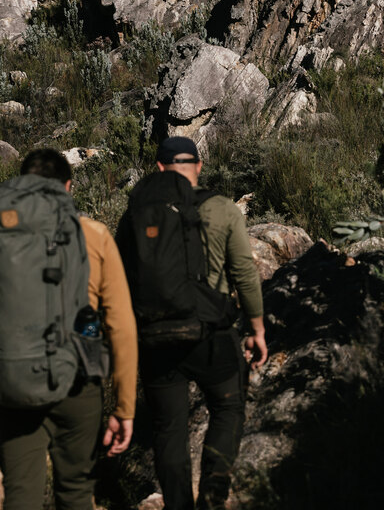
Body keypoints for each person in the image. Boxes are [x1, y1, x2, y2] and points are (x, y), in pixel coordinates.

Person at [0, 148, 139, 510]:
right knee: (75, 492)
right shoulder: (94, 236)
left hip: (16, 383)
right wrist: (124, 407)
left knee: (20, 496)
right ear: (68, 188)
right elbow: (120, 324)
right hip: (77, 383)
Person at [120, 136, 267, 510]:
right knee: (228, 408)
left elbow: (121, 279)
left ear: (159, 168)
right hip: (211, 334)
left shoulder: (137, 212)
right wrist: (257, 328)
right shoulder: (222, 209)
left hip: (155, 336)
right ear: (199, 166)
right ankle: (214, 494)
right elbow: (244, 273)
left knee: (168, 428)